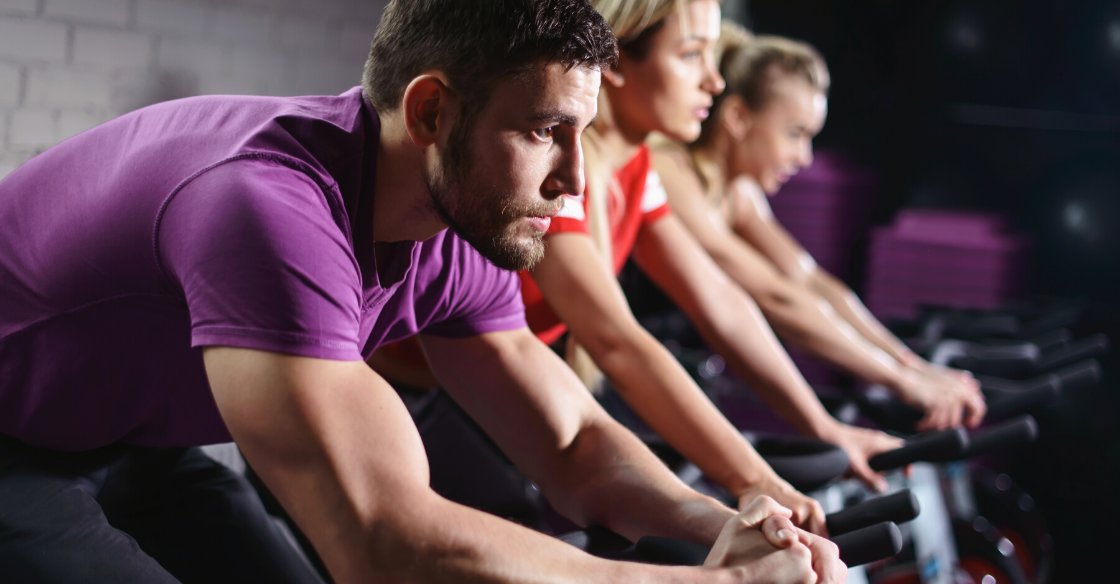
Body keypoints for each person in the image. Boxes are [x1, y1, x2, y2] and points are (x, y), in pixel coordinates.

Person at [0, 1, 846, 582]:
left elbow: (572, 443)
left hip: (137, 444)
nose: (575, 180)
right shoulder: (270, 210)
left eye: (582, 134)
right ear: (433, 111)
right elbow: (383, 544)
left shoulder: (458, 226)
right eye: (547, 131)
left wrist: (730, 523)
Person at [374, 0, 900, 522]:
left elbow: (721, 303)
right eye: (693, 55)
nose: (715, 83)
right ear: (617, 62)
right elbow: (616, 342)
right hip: (412, 396)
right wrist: (755, 479)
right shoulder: (555, 171)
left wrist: (823, 429)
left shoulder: (637, 166)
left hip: (486, 388)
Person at [652, 24, 986, 431]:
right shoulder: (669, 171)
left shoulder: (737, 192)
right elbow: (775, 297)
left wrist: (913, 367)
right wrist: (900, 381)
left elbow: (809, 281)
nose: (805, 157)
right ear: (738, 118)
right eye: (795, 134)